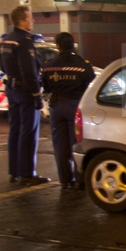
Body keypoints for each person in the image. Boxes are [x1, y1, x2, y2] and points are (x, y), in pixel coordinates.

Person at [0, 5, 49, 185]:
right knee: (29, 132)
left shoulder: (6, 40)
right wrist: (36, 94)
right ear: (21, 21)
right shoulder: (24, 41)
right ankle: (27, 173)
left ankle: (14, 171)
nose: (33, 21)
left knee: (15, 131)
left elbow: (3, 67)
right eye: (30, 18)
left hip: (12, 90)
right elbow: (29, 71)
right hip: (26, 92)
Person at [42, 32, 95, 190]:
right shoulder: (83, 64)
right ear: (73, 45)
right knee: (77, 143)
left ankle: (65, 180)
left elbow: (46, 87)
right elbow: (90, 85)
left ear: (57, 46)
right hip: (76, 106)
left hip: (57, 107)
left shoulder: (49, 65)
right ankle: (80, 180)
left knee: (60, 145)